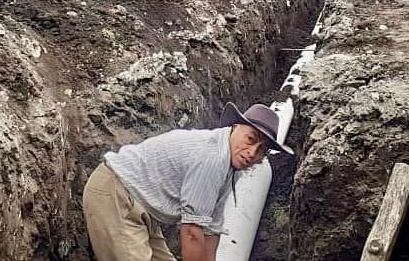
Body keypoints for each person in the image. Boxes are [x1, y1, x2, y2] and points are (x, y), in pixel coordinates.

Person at [83, 102, 293, 261]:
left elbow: (211, 230)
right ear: (236, 127)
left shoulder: (229, 166)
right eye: (251, 139)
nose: (253, 152)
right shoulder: (212, 159)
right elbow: (192, 232)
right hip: (115, 194)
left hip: (142, 206)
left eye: (262, 150)